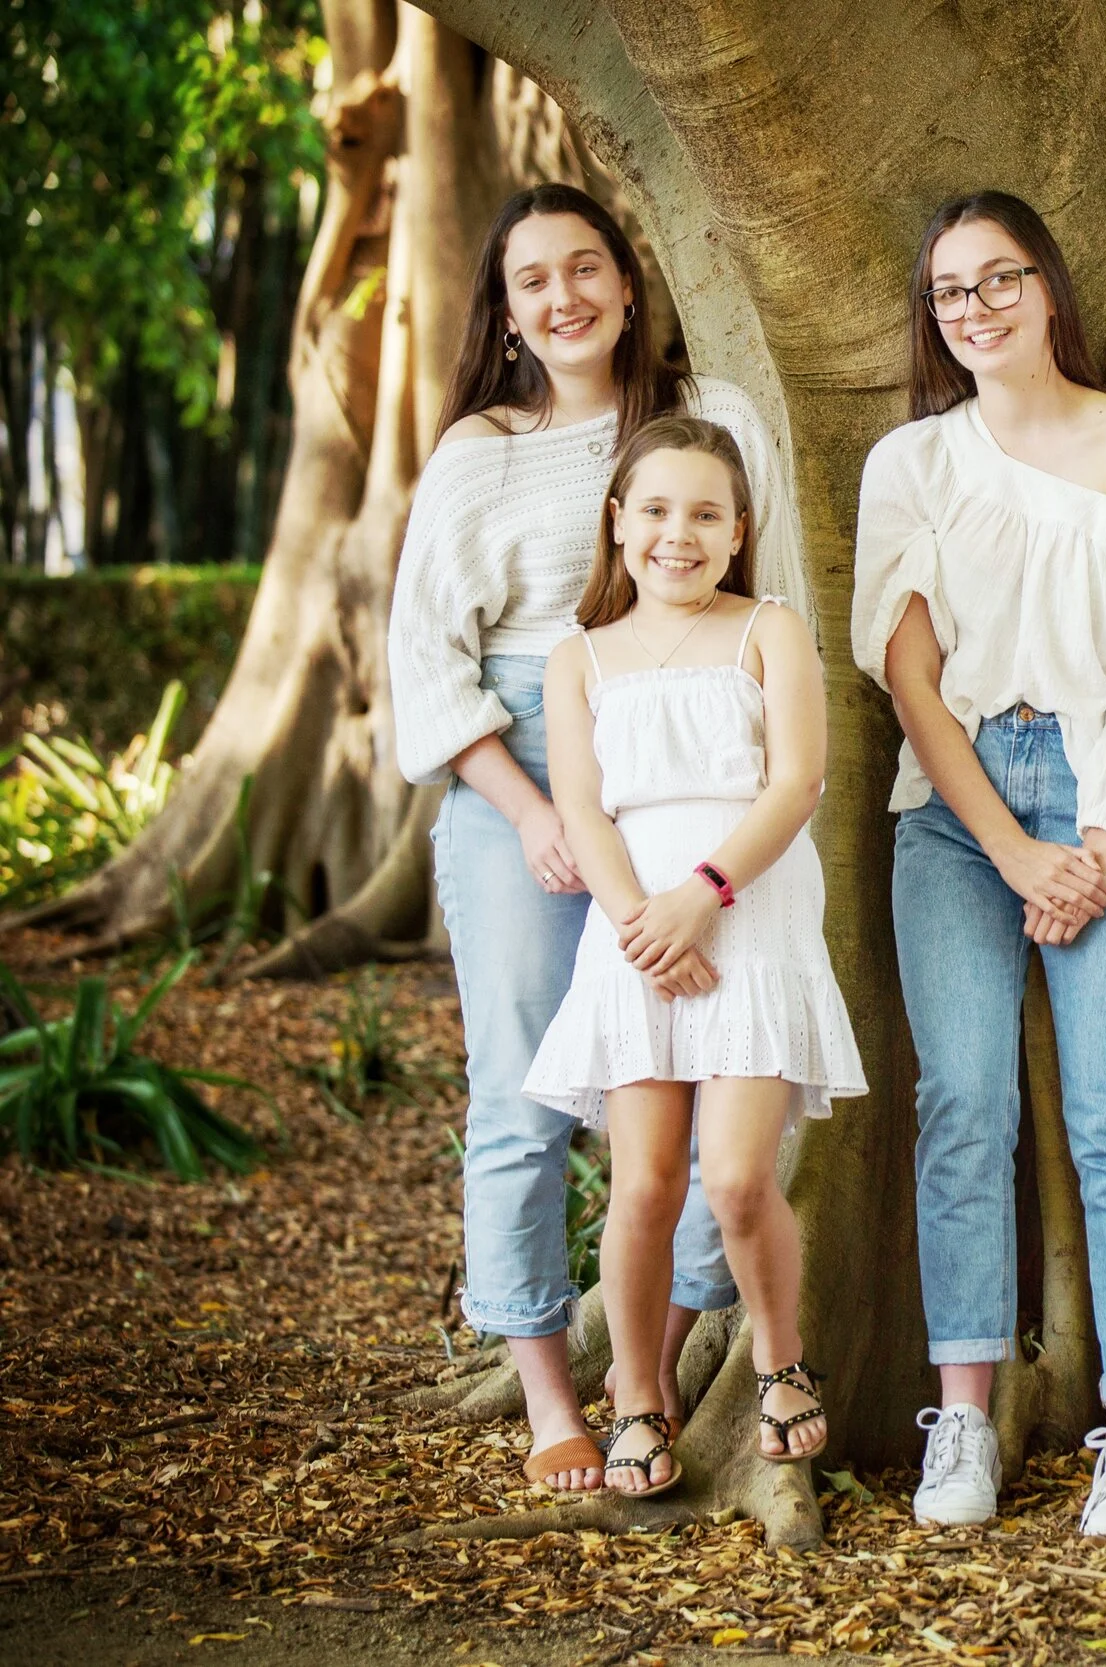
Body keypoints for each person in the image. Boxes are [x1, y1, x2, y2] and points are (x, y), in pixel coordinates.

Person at [389, 183, 813, 1494]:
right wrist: (531, 817)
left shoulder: (717, 416)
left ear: (631, 283)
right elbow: (425, 659)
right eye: (532, 280)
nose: (564, 296)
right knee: (521, 1095)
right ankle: (545, 1390)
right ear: (506, 312)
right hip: (522, 749)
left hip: (693, 766)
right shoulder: (480, 451)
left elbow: (774, 593)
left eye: (587, 268)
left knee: (703, 1083)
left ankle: (655, 1366)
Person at [852, 191, 1106, 1543]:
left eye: (1000, 278)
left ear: (1049, 288)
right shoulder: (910, 462)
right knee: (963, 1103)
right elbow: (906, 670)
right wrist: (1015, 850)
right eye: (951, 291)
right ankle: (964, 1412)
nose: (978, 307)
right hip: (957, 809)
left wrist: (1102, 839)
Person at [519, 415, 866, 1495]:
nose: (680, 532)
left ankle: (777, 1354)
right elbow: (579, 800)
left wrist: (702, 897)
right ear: (619, 523)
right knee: (646, 1182)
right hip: (634, 934)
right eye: (657, 509)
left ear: (737, 530)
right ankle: (635, 1398)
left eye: (706, 513)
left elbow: (796, 783)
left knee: (736, 1172)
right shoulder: (575, 655)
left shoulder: (769, 628)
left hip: (745, 915)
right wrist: (641, 921)